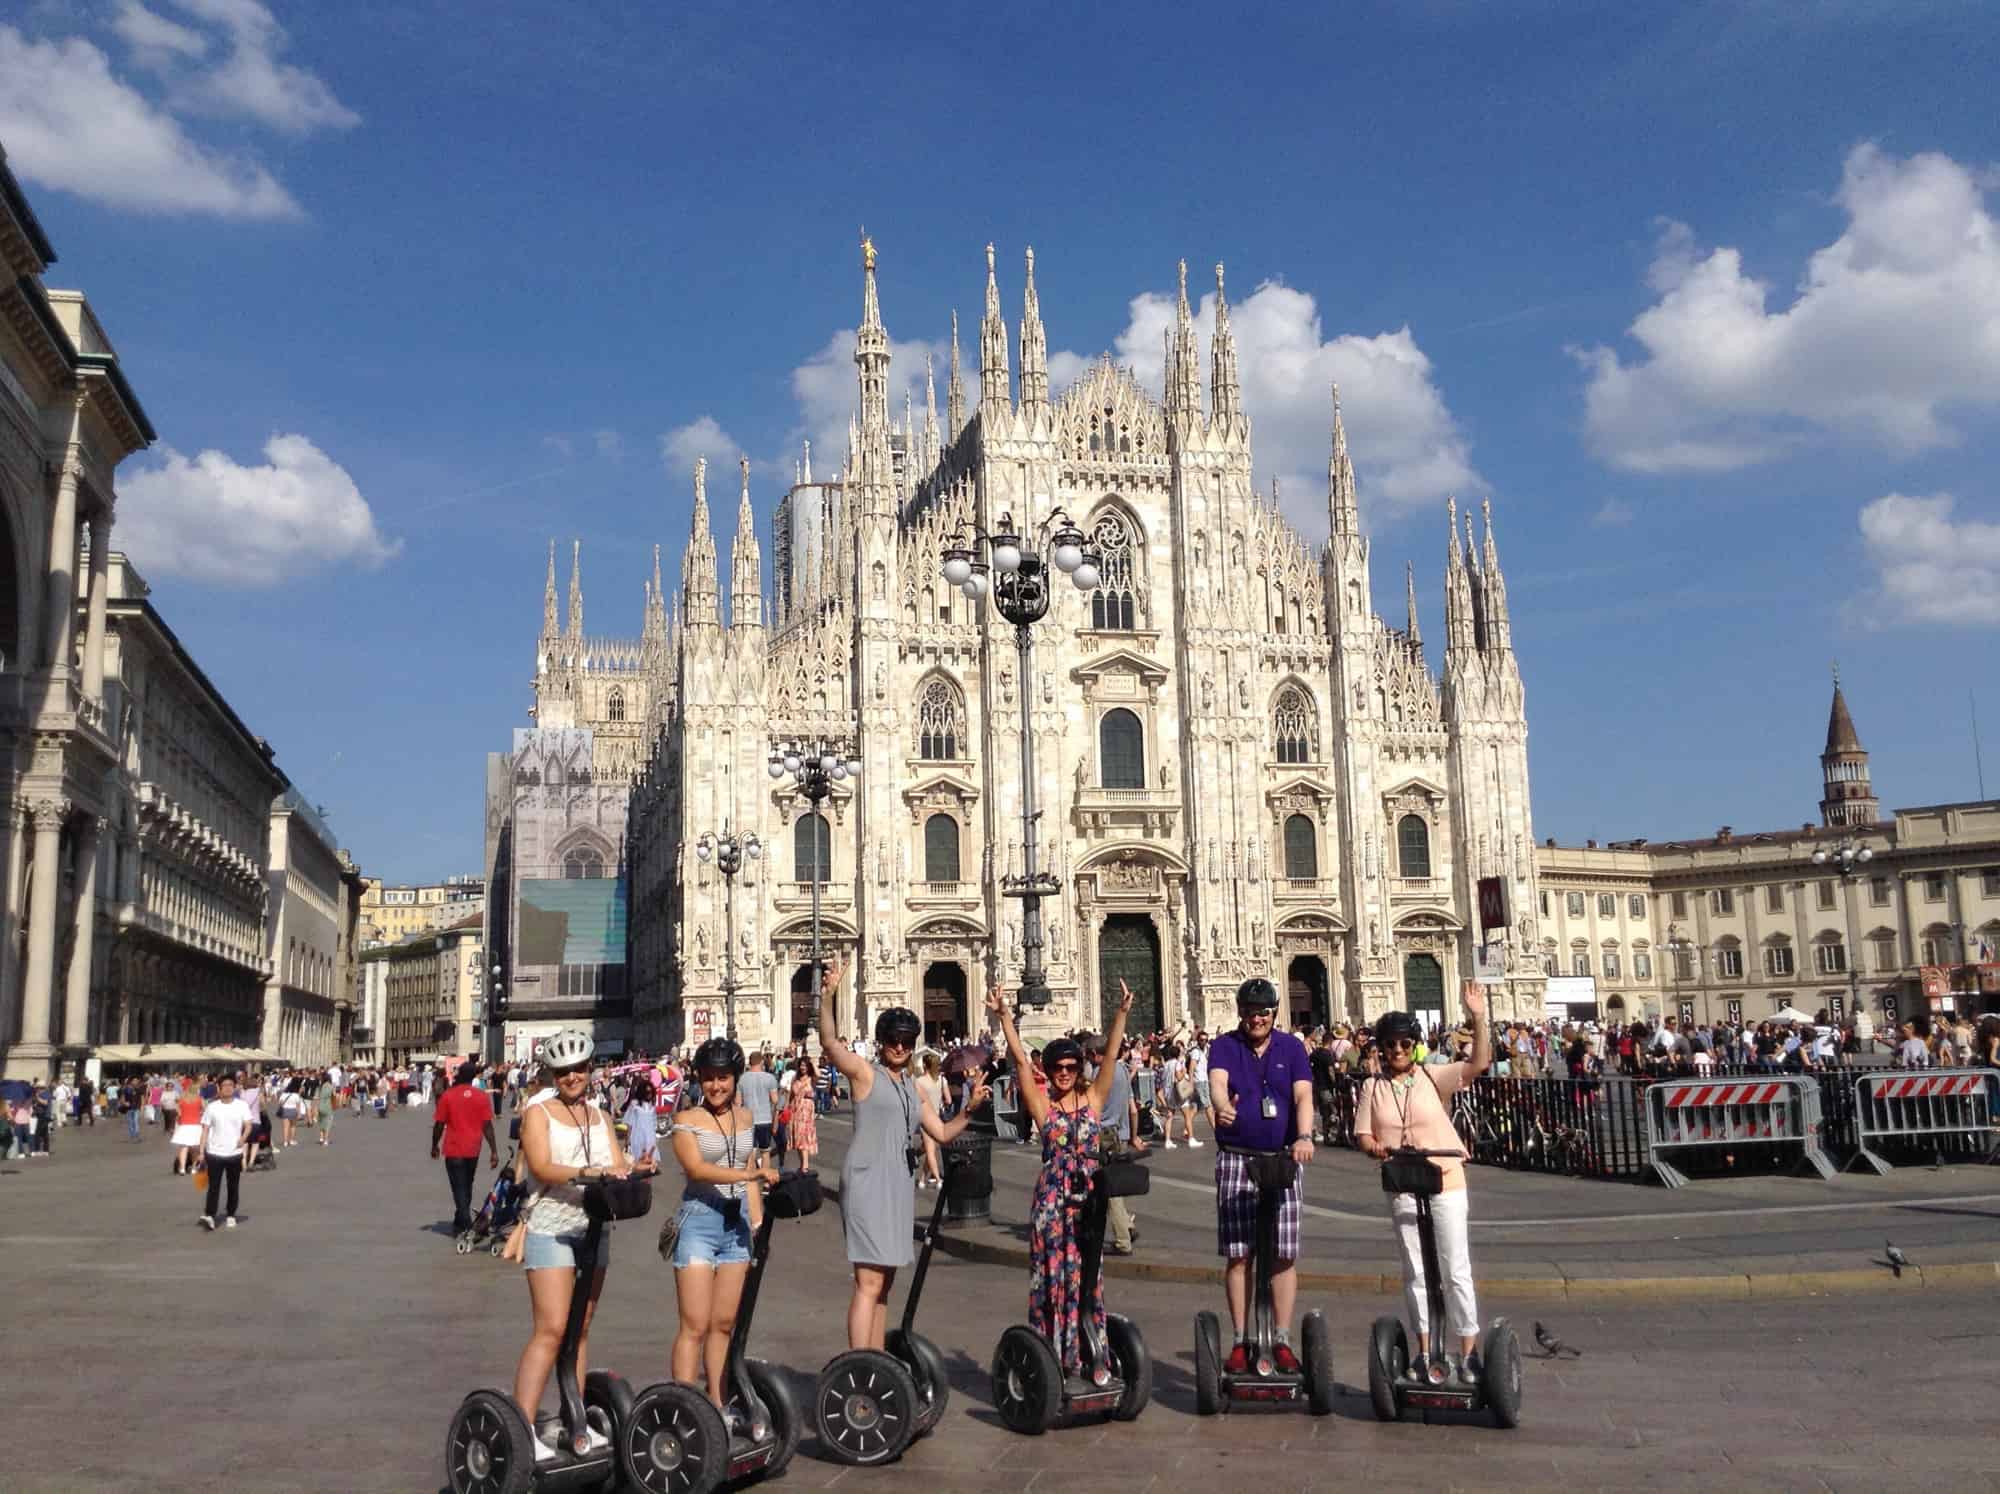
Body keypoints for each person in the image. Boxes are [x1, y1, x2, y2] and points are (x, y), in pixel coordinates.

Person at [818, 961, 989, 1350]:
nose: (899, 1047)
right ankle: (859, 1365)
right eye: (893, 1040)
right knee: (868, 1281)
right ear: (882, 1042)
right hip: (866, 1179)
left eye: (907, 1041)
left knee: (886, 1283)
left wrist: (970, 1108)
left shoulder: (912, 1087)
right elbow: (830, 1043)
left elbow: (942, 1133)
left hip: (897, 1182)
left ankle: (877, 1361)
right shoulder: (865, 1074)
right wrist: (828, 996)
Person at [985, 980, 1136, 1376]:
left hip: (1087, 1196)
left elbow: (1111, 1058)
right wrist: (1003, 1015)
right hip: (1052, 1200)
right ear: (1049, 1072)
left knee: (1088, 1273)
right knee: (1054, 1275)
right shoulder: (1043, 1105)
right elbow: (1019, 1062)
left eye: (1071, 1067)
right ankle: (1057, 1355)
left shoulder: (1094, 1099)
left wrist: (1120, 1014)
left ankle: (1088, 1348)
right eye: (1058, 1068)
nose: (1065, 1074)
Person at [1354, 982, 1494, 1385]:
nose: (1396, 1050)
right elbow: (1362, 1134)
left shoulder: (1435, 1075)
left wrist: (1478, 1017)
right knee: (1415, 1270)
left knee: (1455, 1269)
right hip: (1402, 1182)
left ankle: (1468, 1354)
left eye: (1403, 1044)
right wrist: (1374, 1147)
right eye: (1389, 1045)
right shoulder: (1372, 1087)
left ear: (1414, 1045)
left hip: (1445, 1179)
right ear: (1380, 1048)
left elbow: (1479, 1064)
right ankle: (1424, 1350)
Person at [513, 1028, 644, 1448]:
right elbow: (542, 1166)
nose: (573, 1077)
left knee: (581, 1327)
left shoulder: (601, 1117)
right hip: (551, 1225)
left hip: (593, 1226)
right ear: (554, 1073)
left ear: (591, 1070)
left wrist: (635, 1167)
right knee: (551, 1329)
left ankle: (576, 1419)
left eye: (580, 1069)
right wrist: (588, 1174)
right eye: (565, 1071)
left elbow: (617, 1162)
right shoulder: (539, 1113)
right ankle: (523, 1427)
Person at [1206, 976, 1315, 1374]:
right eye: (1250, 1012)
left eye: (1264, 1012)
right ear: (1240, 1013)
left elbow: (1303, 1094)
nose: (1257, 1019)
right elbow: (1217, 1085)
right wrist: (1221, 1106)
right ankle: (1239, 1339)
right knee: (1240, 1254)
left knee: (1283, 1253)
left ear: (1274, 1013)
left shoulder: (1292, 1048)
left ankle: (1281, 1338)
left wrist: (1304, 1135)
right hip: (1237, 1157)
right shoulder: (1224, 1046)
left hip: (1283, 1158)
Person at [667, 1037, 779, 1411]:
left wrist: (757, 1218)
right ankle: (684, 1410)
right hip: (699, 1222)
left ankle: (716, 1403)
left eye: (724, 1078)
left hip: (737, 1228)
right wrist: (751, 1178)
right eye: (709, 1078)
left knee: (724, 1323)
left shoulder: (745, 1118)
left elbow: (747, 1167)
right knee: (694, 1325)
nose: (716, 1086)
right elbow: (696, 1169)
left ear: (736, 1078)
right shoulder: (686, 1120)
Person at [433, 1062, 502, 1236]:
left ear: (459, 1075)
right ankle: (460, 1218)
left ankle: (466, 1224)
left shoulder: (448, 1096)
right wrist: (494, 1150)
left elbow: (439, 1124)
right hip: (473, 1148)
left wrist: (434, 1145)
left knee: (458, 1187)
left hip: (454, 1148)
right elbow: (487, 1126)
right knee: (467, 1184)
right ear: (473, 1076)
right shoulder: (481, 1097)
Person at [199, 1075, 255, 1230]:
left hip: (234, 1153)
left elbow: (248, 1124)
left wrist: (243, 1138)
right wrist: (201, 1151)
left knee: (233, 1185)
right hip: (215, 1152)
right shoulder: (212, 1107)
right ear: (219, 1088)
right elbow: (205, 1130)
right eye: (224, 1085)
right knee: (213, 1186)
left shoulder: (241, 1105)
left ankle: (231, 1214)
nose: (228, 1088)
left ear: (235, 1087)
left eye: (231, 1085)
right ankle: (210, 1214)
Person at [913, 1053, 946, 1187]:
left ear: (925, 1065)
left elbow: (915, 1101)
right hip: (937, 1119)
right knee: (931, 1150)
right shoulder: (942, 1080)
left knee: (929, 1150)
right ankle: (938, 1179)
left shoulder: (919, 1081)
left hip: (925, 1118)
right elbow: (948, 1099)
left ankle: (922, 1179)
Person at [784, 1059, 819, 1173]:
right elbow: (790, 1095)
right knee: (797, 1138)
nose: (802, 1067)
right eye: (801, 1065)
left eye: (805, 1065)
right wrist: (786, 1108)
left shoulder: (811, 1078)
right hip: (795, 1110)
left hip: (806, 1112)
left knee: (803, 1137)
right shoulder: (795, 1078)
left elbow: (818, 1074)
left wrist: (813, 1063)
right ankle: (802, 1165)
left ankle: (805, 1166)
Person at [170, 1078, 205, 1175]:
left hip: (184, 1126)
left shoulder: (182, 1099)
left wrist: (181, 1114)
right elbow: (205, 1109)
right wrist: (199, 1113)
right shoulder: (199, 1099)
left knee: (184, 1147)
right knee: (194, 1148)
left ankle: (182, 1168)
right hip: (196, 1126)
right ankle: (193, 1168)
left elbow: (177, 1109)